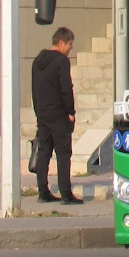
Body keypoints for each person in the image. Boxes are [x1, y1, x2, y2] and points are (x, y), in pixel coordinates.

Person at [31, 27, 81, 205]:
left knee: (44, 152)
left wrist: (38, 113)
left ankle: (43, 192)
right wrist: (71, 112)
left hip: (43, 113)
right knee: (63, 153)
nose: (70, 48)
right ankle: (66, 194)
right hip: (59, 113)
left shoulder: (37, 61)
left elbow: (34, 90)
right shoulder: (61, 61)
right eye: (69, 44)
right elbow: (66, 88)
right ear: (61, 43)